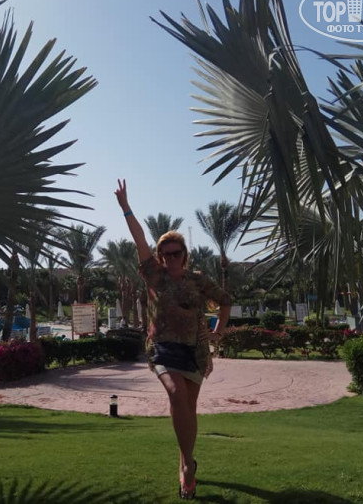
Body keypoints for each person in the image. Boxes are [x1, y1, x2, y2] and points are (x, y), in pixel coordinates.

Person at [115, 179, 231, 500]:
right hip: (162, 348)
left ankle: (185, 465)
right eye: (165, 254)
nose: (170, 258)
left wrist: (219, 331)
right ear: (160, 256)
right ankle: (189, 468)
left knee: (187, 409)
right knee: (177, 394)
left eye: (176, 253)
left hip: (195, 351)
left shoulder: (198, 280)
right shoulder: (154, 275)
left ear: (184, 254)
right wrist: (126, 207)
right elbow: (139, 239)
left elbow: (225, 302)